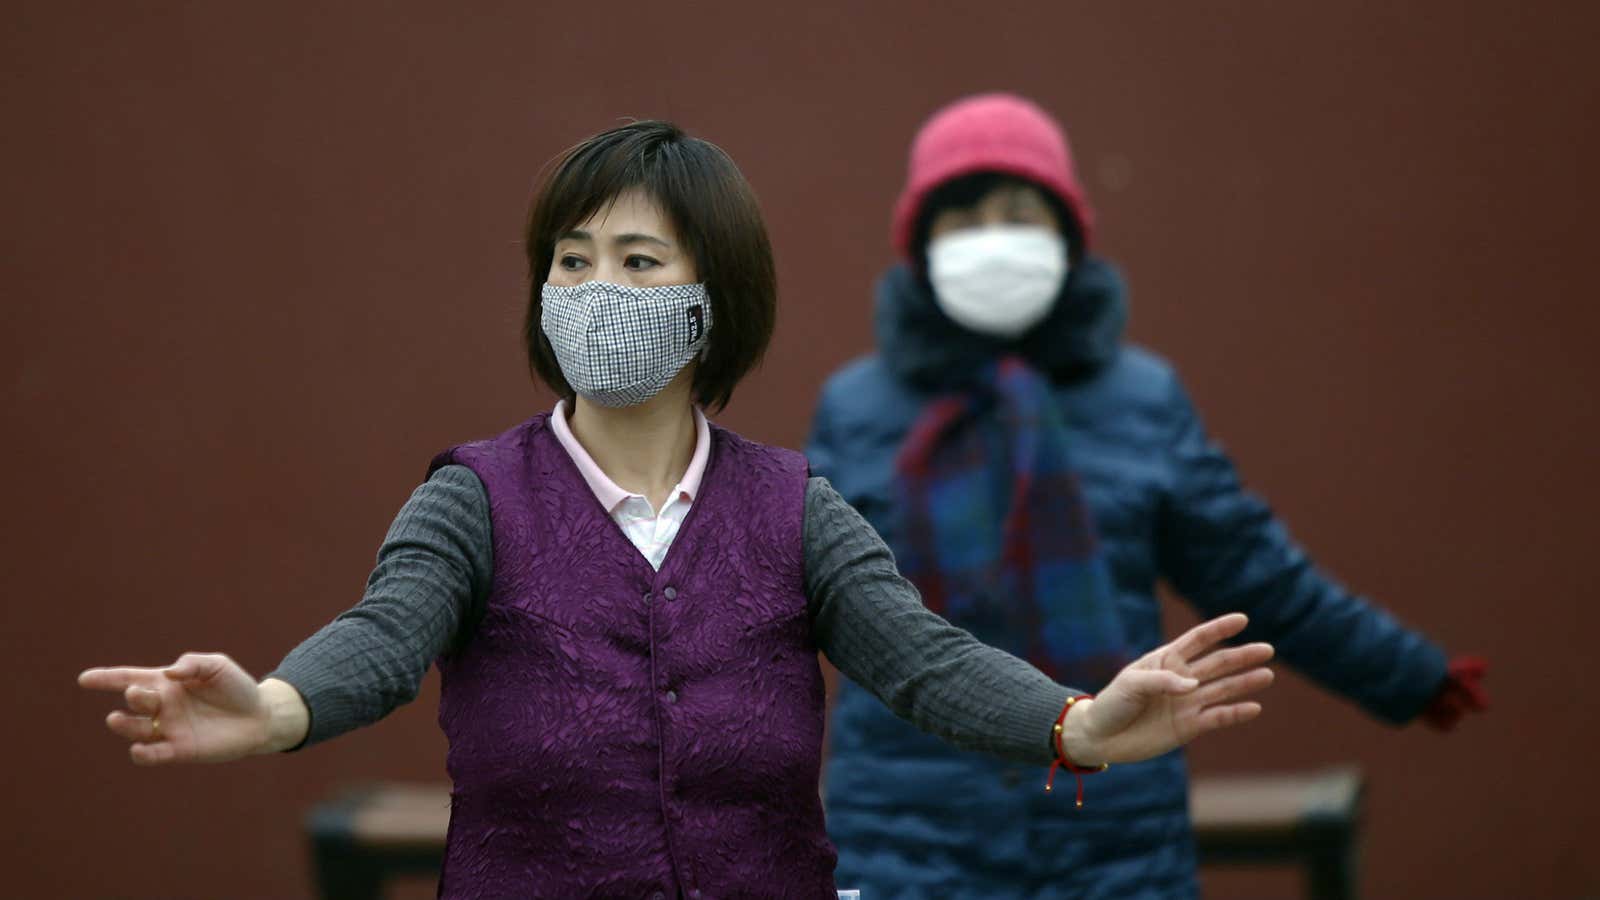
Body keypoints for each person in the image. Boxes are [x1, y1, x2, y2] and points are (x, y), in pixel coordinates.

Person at [78, 120, 1276, 899]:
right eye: (572, 259)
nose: (598, 289)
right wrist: (278, 705)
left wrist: (1078, 723)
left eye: (641, 262)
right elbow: (385, 639)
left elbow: (922, 662)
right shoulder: (474, 497)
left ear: (716, 300)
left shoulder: (791, 504)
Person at [807, 93, 1490, 899]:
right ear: (922, 244)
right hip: (906, 839)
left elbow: (1255, 573)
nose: (991, 240)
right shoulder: (856, 409)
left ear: (1066, 231)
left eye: (1016, 212)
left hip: (1114, 836)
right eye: (962, 219)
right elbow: (804, 598)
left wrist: (1405, 672)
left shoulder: (1142, 399)